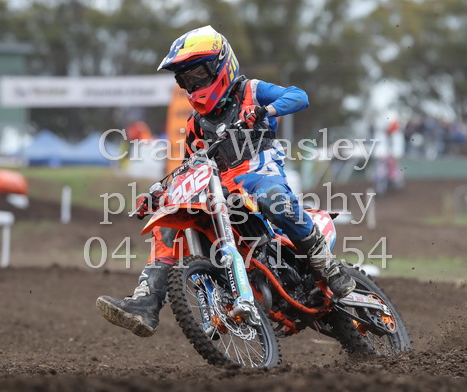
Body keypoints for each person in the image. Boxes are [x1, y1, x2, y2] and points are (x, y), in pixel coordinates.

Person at [96, 26, 355, 337]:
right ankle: (146, 302)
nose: (193, 84)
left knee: (274, 199)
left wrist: (265, 110)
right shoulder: (196, 124)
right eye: (186, 80)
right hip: (222, 188)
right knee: (171, 225)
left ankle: (327, 265)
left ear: (221, 65)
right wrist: (160, 195)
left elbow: (298, 96)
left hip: (258, 174)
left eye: (198, 75)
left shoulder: (251, 91)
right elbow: (189, 167)